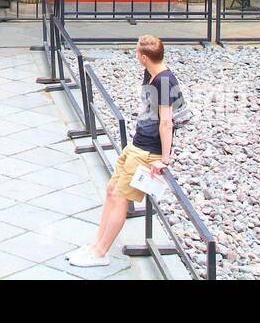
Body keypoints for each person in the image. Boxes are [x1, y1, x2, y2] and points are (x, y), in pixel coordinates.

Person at [67, 34, 182, 268]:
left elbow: (166, 122)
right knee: (112, 191)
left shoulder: (164, 81)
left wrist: (165, 159)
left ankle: (101, 252)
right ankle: (95, 244)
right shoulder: (152, 74)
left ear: (144, 57)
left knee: (120, 198)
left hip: (148, 151)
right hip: (138, 143)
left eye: (139, 53)